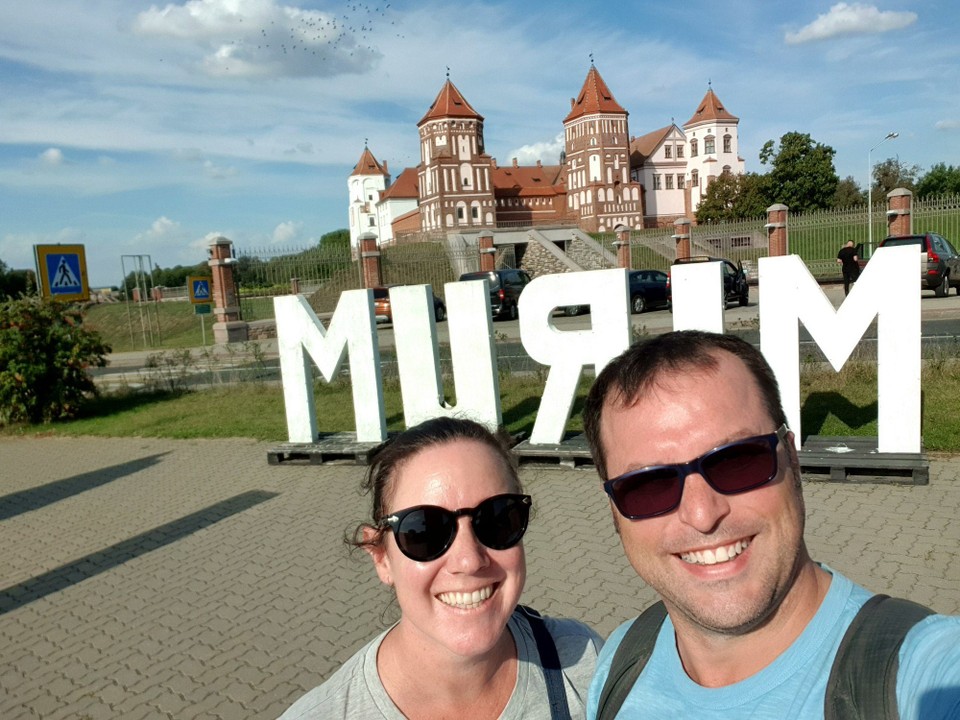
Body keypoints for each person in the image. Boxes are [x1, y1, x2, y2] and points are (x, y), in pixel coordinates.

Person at [581, 330, 960, 719]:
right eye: (648, 485)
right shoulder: (621, 661)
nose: (702, 514)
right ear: (613, 508)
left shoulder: (918, 674)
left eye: (736, 460)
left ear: (792, 459)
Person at [279, 416, 602, 719]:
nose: (469, 560)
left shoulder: (585, 662)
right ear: (381, 557)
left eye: (497, 519)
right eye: (424, 531)